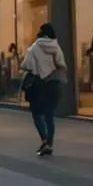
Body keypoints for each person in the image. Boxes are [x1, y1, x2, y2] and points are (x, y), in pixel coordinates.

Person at [21, 23, 69, 157]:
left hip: (40, 84)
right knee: (49, 115)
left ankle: (44, 139)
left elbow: (25, 65)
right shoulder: (56, 47)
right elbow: (62, 64)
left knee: (36, 113)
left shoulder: (34, 48)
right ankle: (49, 144)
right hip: (54, 84)